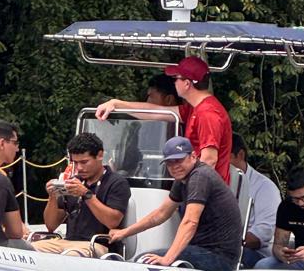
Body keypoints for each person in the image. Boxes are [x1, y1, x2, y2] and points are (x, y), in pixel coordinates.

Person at [108, 136, 241, 271]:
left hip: (220, 257)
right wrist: (124, 232)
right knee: (146, 258)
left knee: (144, 260)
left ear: (193, 156)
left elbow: (190, 222)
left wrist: (167, 259)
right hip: (202, 250)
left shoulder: (200, 177)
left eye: (179, 160)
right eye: (170, 163)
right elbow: (161, 214)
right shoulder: (183, 178)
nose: (174, 166)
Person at [96, 56, 232, 183]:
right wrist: (117, 104)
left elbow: (209, 160)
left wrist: (195, 198)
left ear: (186, 83)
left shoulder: (208, 113)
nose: (174, 83)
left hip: (209, 198)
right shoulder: (195, 109)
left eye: (176, 78)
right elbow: (155, 112)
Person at [33, 132, 131, 256]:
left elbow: (112, 222)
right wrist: (53, 196)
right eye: (75, 162)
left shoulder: (117, 182)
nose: (79, 168)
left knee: (72, 255)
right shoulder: (74, 181)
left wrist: (86, 194)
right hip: (67, 242)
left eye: (84, 162)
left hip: (98, 244)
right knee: (29, 248)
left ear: (100, 155)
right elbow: (51, 226)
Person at [230, 133, 281, 268]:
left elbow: (262, 234)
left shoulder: (265, 188)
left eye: (223, 156)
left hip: (254, 253)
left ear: (240, 155)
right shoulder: (214, 182)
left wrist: (226, 241)